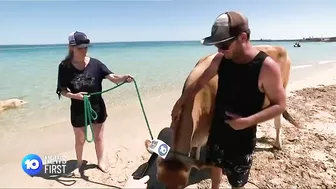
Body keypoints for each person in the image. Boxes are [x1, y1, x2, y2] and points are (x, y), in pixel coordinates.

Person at [171, 11, 286, 189]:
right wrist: (182, 101)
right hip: (217, 131)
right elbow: (201, 82)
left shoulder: (266, 67)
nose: (219, 50)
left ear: (242, 37)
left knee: (237, 182)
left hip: (243, 138)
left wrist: (247, 121)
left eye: (223, 45)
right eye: (217, 45)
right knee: (215, 170)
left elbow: (280, 105)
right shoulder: (221, 59)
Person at [56, 31, 134, 173]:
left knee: (98, 138)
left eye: (86, 47)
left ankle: (101, 162)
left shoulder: (96, 64)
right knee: (80, 140)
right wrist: (75, 96)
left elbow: (113, 77)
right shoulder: (64, 67)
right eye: (81, 47)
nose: (84, 50)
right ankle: (79, 163)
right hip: (78, 109)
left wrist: (123, 77)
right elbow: (62, 90)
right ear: (71, 47)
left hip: (97, 107)